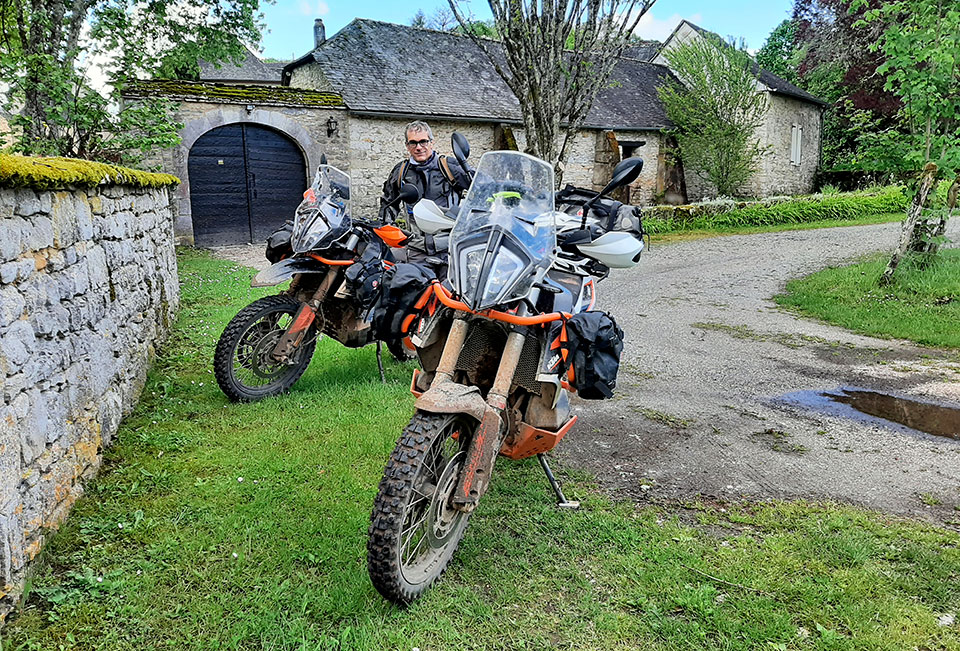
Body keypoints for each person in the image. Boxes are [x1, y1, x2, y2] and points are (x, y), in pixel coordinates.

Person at [378, 121, 472, 226]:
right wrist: (387, 227)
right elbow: (389, 204)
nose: (418, 147)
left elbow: (483, 187)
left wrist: (470, 220)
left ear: (431, 143)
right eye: (413, 143)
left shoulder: (449, 166)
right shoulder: (400, 171)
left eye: (423, 141)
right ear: (407, 146)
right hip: (415, 239)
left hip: (446, 236)